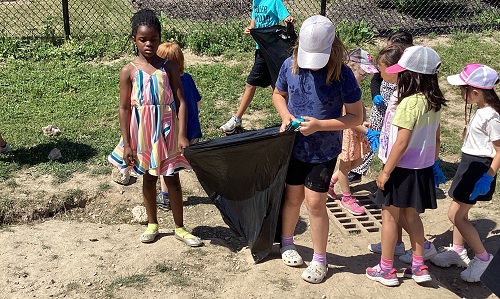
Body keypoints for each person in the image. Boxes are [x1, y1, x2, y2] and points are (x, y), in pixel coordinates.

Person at [273, 15, 363, 283]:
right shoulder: (290, 65)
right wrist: (286, 116)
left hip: (324, 149)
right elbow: (279, 95)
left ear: (332, 48)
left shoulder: (343, 74)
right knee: (292, 197)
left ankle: (320, 259)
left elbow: (355, 117)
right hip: (294, 145)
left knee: (315, 203)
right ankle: (287, 242)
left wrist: (320, 125)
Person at [108, 9, 202, 247]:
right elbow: (124, 109)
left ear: (160, 38)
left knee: (172, 178)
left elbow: (181, 101)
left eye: (153, 39)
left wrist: (181, 134)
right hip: (142, 135)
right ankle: (153, 224)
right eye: (143, 39)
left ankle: (180, 227)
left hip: (168, 132)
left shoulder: (169, 68)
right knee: (149, 179)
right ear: (134, 40)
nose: (149, 44)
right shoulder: (128, 71)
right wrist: (127, 143)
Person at [365, 45, 446, 286]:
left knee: (389, 218)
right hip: (421, 169)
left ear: (412, 75)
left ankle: (387, 269)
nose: (399, 75)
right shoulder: (433, 102)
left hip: (399, 170)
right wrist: (433, 161)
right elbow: (437, 137)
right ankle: (419, 265)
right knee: (413, 217)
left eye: (403, 72)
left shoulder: (408, 103)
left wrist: (386, 171)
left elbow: (401, 142)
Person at [430, 64, 500, 282]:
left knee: (455, 215)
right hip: (470, 164)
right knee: (461, 212)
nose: (461, 93)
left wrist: (487, 176)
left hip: (479, 168)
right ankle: (458, 250)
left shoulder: (491, 117)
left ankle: (482, 257)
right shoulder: (483, 110)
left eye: (463, 89)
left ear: (477, 92)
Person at [348, 30, 414, 184]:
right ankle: (358, 169)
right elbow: (376, 79)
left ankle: (392, 168)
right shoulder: (387, 59)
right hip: (381, 103)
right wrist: (376, 95)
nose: (388, 50)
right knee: (372, 135)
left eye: (392, 47)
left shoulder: (411, 65)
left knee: (395, 137)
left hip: (399, 105)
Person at [219, 0, 295, 134]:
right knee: (275, 86)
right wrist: (250, 28)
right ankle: (290, 118)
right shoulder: (256, 2)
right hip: (260, 50)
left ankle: (237, 119)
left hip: (272, 50)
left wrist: (289, 20)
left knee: (255, 84)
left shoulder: (275, 1)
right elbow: (253, 23)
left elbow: (285, 18)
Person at [327, 48, 378, 216]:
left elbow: (358, 112)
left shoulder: (355, 87)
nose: (364, 78)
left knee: (358, 161)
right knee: (345, 165)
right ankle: (347, 197)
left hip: (357, 130)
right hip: (348, 133)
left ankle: (330, 182)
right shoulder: (345, 90)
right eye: (363, 74)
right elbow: (349, 120)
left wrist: (364, 122)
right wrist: (366, 130)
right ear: (352, 69)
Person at [155, 42, 203, 212]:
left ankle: (165, 197)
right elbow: (197, 103)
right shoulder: (188, 78)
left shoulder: (164, 85)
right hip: (192, 132)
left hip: (173, 135)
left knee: (166, 165)